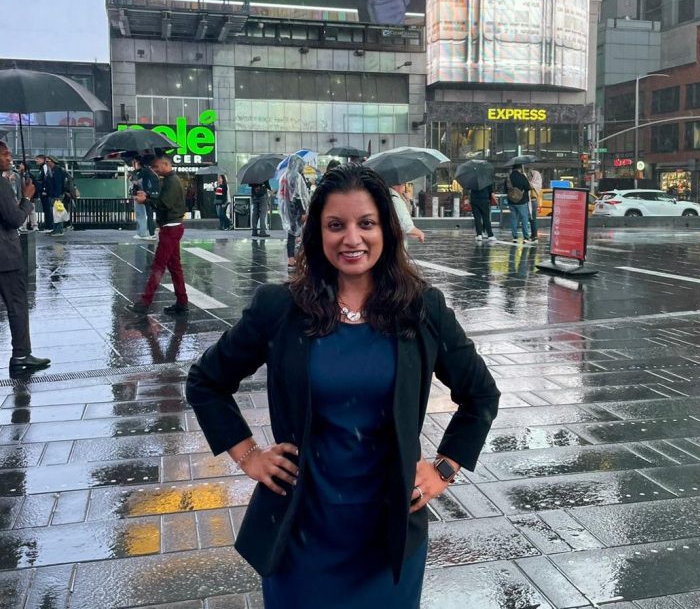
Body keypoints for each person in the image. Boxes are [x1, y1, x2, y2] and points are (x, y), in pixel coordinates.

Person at [185, 163, 499, 608]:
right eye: (336, 225)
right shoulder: (281, 308)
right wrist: (248, 455)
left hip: (387, 536)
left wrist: (445, 468)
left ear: (387, 229)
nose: (352, 239)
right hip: (301, 532)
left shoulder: (422, 308)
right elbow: (206, 382)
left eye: (366, 223)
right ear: (318, 233)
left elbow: (481, 394)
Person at [0, 142, 50, 372]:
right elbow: (14, 219)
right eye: (4, 153)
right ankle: (21, 355)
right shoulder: (1, 184)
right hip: (5, 256)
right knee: (17, 305)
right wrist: (28, 199)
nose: (9, 157)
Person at [126, 154, 189, 316]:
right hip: (173, 226)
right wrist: (148, 198)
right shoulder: (170, 180)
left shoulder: (171, 182)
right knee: (175, 267)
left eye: (156, 167)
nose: (154, 170)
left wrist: (145, 200)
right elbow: (163, 201)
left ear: (164, 164)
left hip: (170, 228)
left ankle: (145, 303)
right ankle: (182, 302)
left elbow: (163, 204)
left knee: (158, 267)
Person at [278, 155, 310, 269]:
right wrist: (303, 212)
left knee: (291, 234)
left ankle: (291, 258)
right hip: (295, 209)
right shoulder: (296, 177)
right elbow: (298, 196)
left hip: (287, 208)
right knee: (301, 233)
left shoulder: (284, 176)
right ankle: (299, 258)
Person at [505, 163, 533, 243]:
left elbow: (505, 189)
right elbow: (528, 188)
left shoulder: (508, 177)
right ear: (519, 168)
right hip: (522, 201)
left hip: (511, 201)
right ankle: (526, 237)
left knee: (513, 219)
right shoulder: (522, 176)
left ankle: (515, 237)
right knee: (524, 218)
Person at [46, 156, 67, 236]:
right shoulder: (51, 170)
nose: (47, 163)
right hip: (52, 194)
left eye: (48, 161)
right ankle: (56, 229)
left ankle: (59, 230)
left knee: (57, 212)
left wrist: (57, 195)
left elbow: (58, 183)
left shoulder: (57, 170)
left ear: (53, 161)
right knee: (55, 212)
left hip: (56, 195)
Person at [130, 159, 149, 240]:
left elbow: (143, 184)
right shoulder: (135, 172)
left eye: (135, 163)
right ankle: (140, 232)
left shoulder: (143, 172)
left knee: (141, 214)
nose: (133, 164)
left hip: (140, 194)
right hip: (136, 194)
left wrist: (135, 181)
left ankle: (142, 233)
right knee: (138, 214)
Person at [17, 162, 37, 231]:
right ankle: (24, 225)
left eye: (21, 164)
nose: (20, 165)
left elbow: (33, 185)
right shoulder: (19, 174)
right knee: (26, 211)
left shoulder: (28, 175)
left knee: (31, 211)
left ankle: (33, 225)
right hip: (23, 195)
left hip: (29, 195)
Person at [35, 154, 53, 232]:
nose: (36, 161)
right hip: (42, 191)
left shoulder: (45, 167)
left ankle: (49, 226)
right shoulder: (41, 168)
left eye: (38, 159)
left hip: (45, 192)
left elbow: (47, 178)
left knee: (47, 208)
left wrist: (45, 190)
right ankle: (48, 225)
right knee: (45, 209)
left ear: (42, 159)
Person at [527, 169, 539, 245]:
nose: (530, 176)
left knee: (533, 218)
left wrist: (528, 181)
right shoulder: (532, 182)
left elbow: (531, 186)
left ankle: (534, 235)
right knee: (531, 219)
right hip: (529, 201)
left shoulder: (536, 182)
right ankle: (533, 234)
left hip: (533, 201)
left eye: (531, 175)